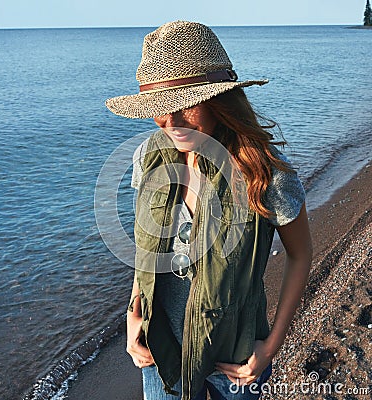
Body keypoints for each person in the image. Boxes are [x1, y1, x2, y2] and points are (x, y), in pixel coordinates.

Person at [105, 20, 312, 400]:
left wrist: (271, 346)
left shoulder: (264, 173)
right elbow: (147, 249)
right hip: (161, 346)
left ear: (220, 99)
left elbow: (300, 255)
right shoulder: (148, 156)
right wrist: (133, 314)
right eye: (158, 108)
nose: (170, 121)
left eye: (183, 104)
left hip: (235, 353)